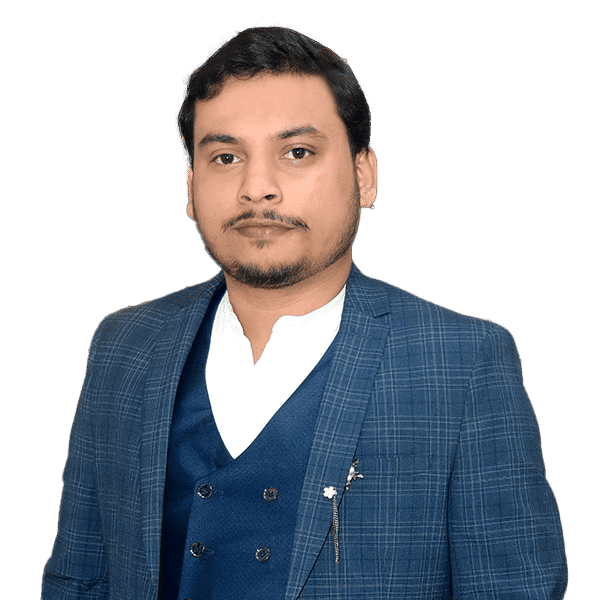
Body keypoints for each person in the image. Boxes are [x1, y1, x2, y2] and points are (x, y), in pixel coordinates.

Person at [41, 26, 568, 599]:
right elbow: (78, 579)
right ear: (191, 186)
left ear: (364, 176)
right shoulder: (124, 344)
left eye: (297, 152)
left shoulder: (463, 363)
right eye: (225, 157)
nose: (257, 188)